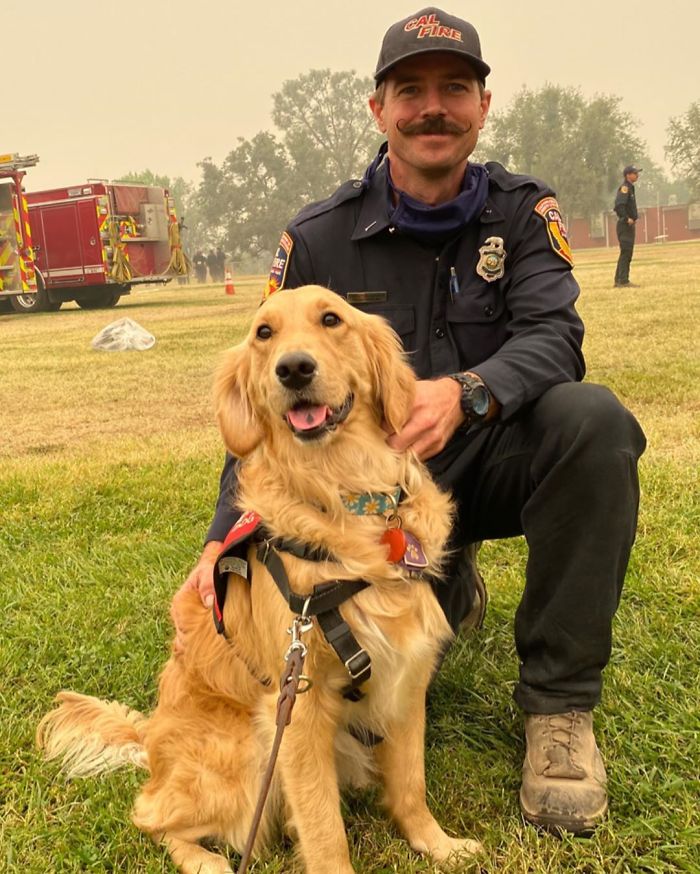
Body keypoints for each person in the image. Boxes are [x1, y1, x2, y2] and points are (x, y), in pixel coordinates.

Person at [180, 7, 646, 835]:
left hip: (481, 456)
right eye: (411, 90)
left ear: (483, 105)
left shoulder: (522, 213)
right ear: (378, 109)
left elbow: (556, 336)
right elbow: (269, 396)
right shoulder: (318, 235)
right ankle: (442, 577)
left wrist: (466, 391)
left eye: (453, 88)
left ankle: (560, 710)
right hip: (369, 493)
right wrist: (226, 534)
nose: (433, 107)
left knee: (593, 420)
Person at [613, 165, 642, 287]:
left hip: (629, 226)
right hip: (625, 226)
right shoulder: (625, 188)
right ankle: (623, 280)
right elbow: (619, 205)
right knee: (626, 252)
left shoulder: (631, 188)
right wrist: (626, 218)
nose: (637, 175)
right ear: (628, 175)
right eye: (635, 173)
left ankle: (619, 280)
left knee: (626, 253)